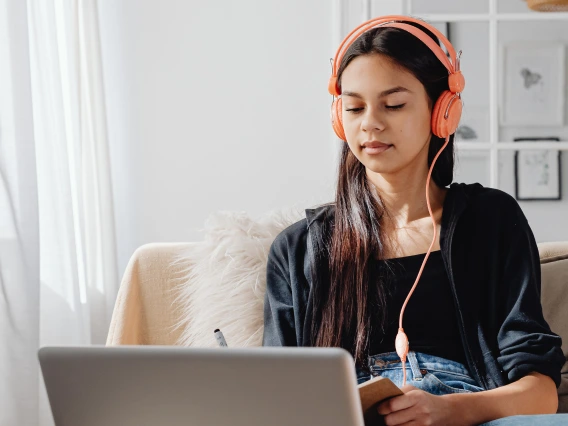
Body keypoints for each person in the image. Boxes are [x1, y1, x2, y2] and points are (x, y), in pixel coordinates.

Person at [262, 15, 567, 426]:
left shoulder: (492, 220)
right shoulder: (298, 249)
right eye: (354, 107)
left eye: (393, 104)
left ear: (443, 112)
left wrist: (451, 410)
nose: (370, 122)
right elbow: (274, 397)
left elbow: (541, 392)